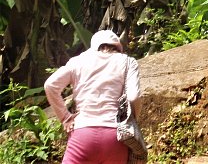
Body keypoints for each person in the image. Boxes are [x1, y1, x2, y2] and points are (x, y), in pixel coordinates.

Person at [44, 30, 142, 164]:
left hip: (83, 134)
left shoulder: (77, 61)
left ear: (94, 46)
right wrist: (132, 121)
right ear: (118, 48)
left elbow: (50, 85)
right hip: (115, 137)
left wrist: (65, 117)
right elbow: (133, 97)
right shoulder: (128, 62)